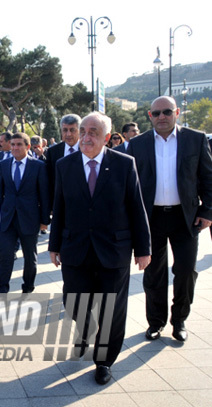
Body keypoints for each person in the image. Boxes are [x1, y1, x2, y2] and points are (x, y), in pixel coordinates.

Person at [49, 112, 151, 385]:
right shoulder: (64, 165)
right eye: (83, 130)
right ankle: (85, 330)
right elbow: (59, 207)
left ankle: (104, 361)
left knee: (112, 308)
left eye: (93, 131)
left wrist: (144, 248)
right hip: (75, 248)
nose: (85, 136)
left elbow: (136, 208)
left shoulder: (124, 164)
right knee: (74, 299)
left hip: (114, 249)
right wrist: (54, 245)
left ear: (107, 137)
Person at [127, 96, 212, 343]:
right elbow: (130, 186)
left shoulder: (195, 139)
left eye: (166, 112)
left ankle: (179, 320)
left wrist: (207, 211)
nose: (161, 117)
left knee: (186, 271)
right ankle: (155, 322)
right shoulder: (138, 144)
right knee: (154, 273)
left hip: (186, 218)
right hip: (151, 219)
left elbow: (208, 178)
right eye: (156, 113)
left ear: (176, 112)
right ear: (150, 116)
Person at [0, 133, 50, 294]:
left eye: (19, 144)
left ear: (28, 147)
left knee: (30, 257)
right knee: (5, 257)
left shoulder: (38, 166)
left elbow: (44, 194)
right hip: (8, 219)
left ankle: (28, 288)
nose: (15, 148)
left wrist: (44, 220)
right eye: (12, 144)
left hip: (30, 219)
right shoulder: (3, 164)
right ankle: (2, 290)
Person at [45, 114, 81, 208]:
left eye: (72, 130)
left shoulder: (87, 150)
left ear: (80, 131)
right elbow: (50, 180)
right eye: (65, 130)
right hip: (60, 204)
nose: (68, 134)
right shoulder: (53, 152)